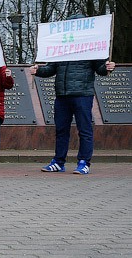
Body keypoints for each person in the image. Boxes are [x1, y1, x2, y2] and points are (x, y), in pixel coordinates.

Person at [30, 27, 115, 174]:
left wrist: (108, 67)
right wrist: (38, 71)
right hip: (62, 96)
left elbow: (100, 69)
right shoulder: (61, 50)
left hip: (82, 95)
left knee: (84, 130)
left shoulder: (91, 48)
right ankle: (58, 161)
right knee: (61, 130)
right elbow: (50, 69)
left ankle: (84, 162)